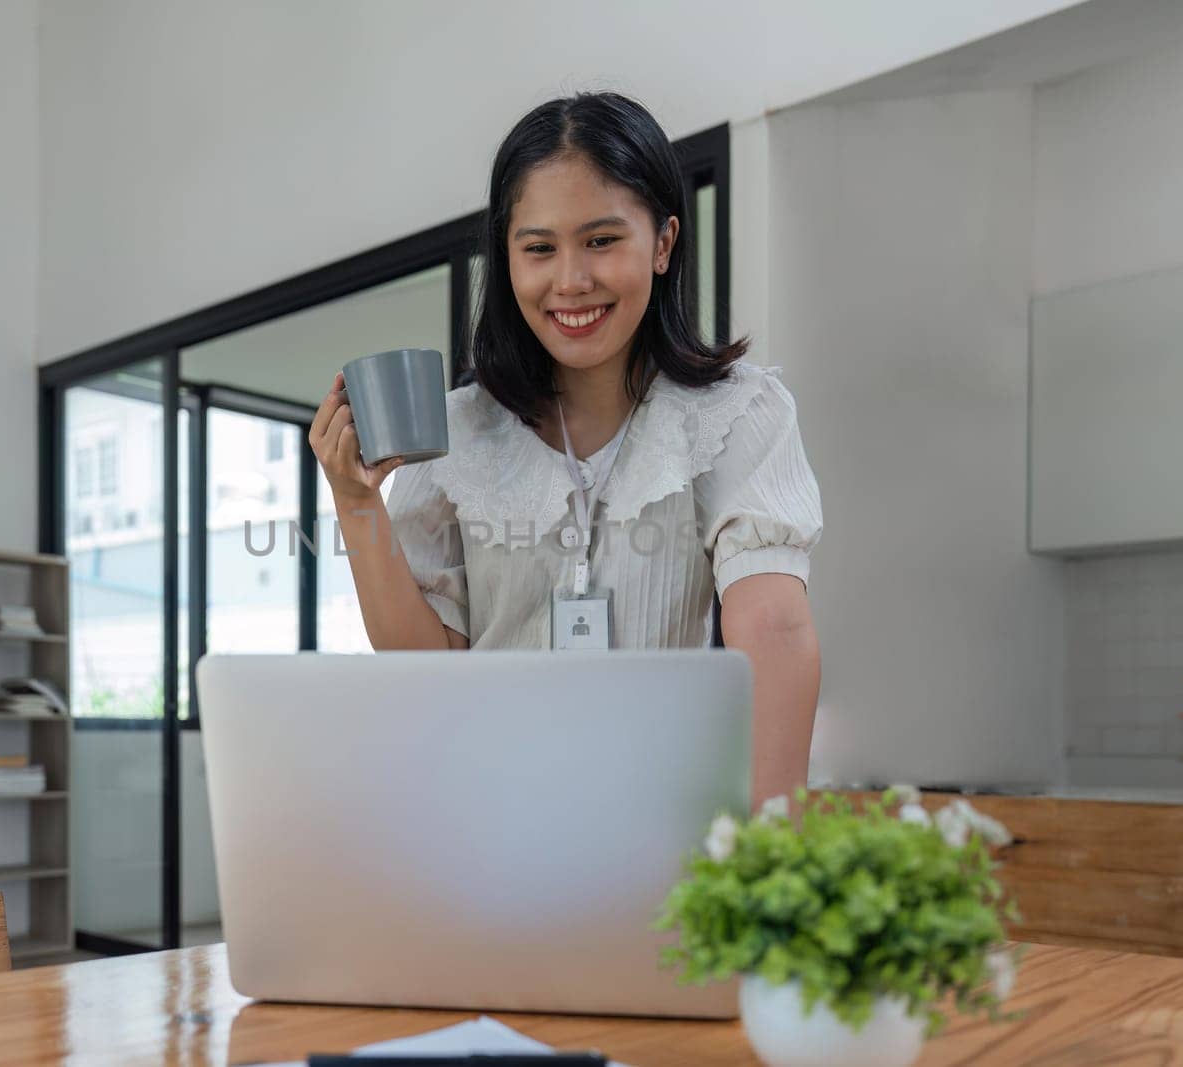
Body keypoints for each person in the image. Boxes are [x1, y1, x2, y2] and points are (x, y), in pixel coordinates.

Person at [309, 92, 823, 801]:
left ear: (664, 242)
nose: (570, 281)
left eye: (602, 240)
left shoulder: (737, 412)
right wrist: (353, 496)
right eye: (540, 248)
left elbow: (773, 627)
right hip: (485, 822)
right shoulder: (456, 431)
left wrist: (770, 856)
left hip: (661, 824)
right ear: (509, 259)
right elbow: (428, 666)